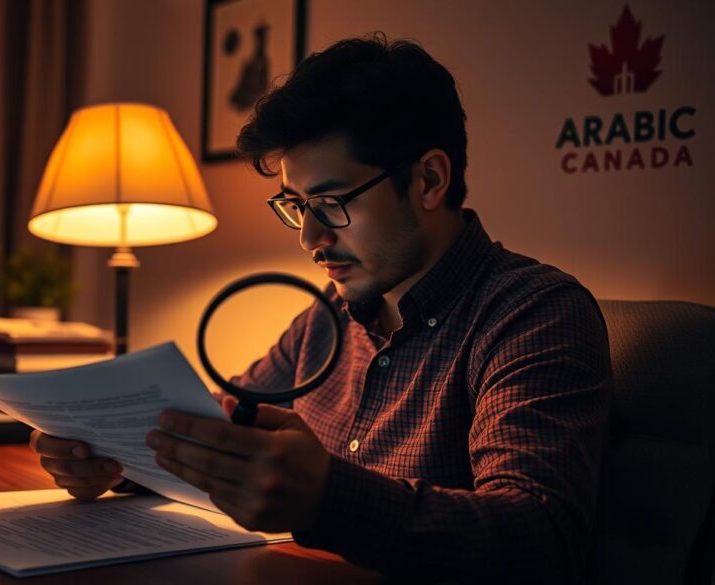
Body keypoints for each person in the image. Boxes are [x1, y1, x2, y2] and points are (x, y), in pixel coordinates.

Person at [30, 33, 612, 582]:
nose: (310, 238)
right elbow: (225, 425)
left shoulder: (533, 314)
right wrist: (109, 456)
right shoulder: (329, 314)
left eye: (331, 202)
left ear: (430, 180)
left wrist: (326, 499)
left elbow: (539, 537)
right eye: (296, 205)